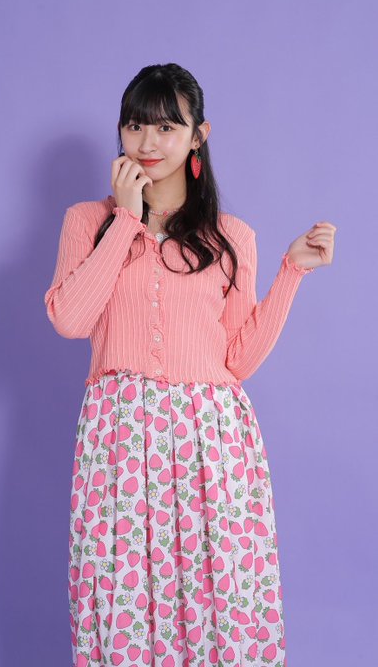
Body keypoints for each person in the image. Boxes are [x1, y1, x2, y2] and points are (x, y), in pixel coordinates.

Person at [44, 63, 336, 667]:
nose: (146, 143)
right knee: (124, 598)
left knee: (215, 597)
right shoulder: (88, 222)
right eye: (134, 126)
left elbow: (237, 359)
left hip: (210, 442)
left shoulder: (232, 237)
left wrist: (292, 272)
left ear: (199, 135)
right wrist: (127, 220)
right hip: (121, 439)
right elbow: (70, 319)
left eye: (166, 127)